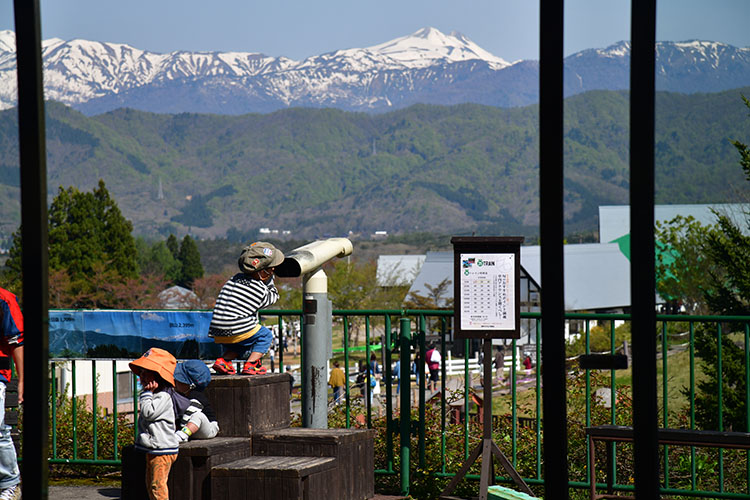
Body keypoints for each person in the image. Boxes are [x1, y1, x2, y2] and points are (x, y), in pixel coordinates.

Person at [209, 242, 284, 376]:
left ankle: (224, 361)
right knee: (265, 335)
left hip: (218, 329)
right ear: (262, 272)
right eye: (271, 268)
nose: (273, 270)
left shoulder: (234, 279)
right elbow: (272, 298)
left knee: (242, 342)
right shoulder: (258, 289)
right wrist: (270, 282)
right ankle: (251, 365)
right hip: (237, 325)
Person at [129, 348, 181, 500]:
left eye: (147, 373)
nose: (142, 377)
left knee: (157, 486)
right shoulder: (155, 395)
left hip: (163, 450)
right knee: (150, 484)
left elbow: (148, 413)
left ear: (159, 376)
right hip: (154, 449)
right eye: (142, 373)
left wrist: (146, 394)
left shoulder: (163, 397)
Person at [0, 287, 23, 500]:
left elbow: (16, 340)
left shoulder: (4, 299)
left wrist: (23, 379)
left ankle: (10, 483)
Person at [173, 360, 219, 441]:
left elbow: (189, 414)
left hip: (208, 429)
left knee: (198, 416)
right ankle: (183, 433)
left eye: (179, 380)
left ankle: (182, 435)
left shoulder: (196, 397)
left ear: (191, 385)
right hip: (191, 429)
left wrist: (180, 428)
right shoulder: (181, 395)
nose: (175, 382)